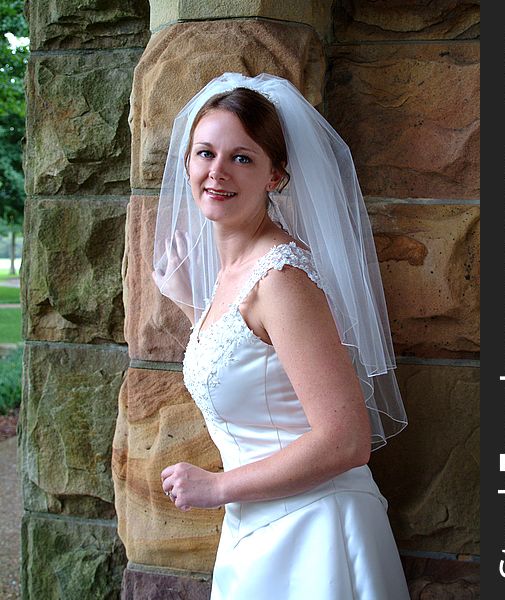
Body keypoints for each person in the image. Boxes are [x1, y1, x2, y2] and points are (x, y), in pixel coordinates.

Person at [153, 72, 409, 599]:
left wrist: (216, 487)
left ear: (275, 175)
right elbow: (252, 363)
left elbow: (346, 440)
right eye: (206, 153)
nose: (217, 171)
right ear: (187, 163)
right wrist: (190, 305)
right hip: (257, 534)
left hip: (315, 536)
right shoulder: (233, 277)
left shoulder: (282, 280)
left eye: (242, 157)